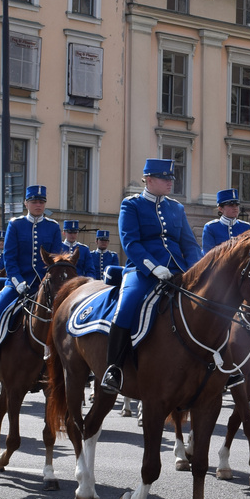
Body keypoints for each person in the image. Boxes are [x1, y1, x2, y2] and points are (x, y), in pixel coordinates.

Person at [98, 159, 204, 395]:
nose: (170, 183)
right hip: (143, 271)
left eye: (171, 179)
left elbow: (189, 244)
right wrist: (154, 268)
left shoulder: (176, 208)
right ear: (148, 179)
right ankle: (114, 368)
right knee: (127, 305)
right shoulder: (131, 205)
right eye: (165, 179)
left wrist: (194, 271)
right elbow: (130, 242)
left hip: (179, 272)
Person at [0, 186, 64, 386]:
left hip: (44, 286)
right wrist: (18, 282)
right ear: (26, 204)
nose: (38, 205)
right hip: (17, 284)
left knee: (64, 318)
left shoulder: (53, 227)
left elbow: (55, 258)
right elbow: (10, 258)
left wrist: (48, 283)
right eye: (34, 201)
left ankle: (66, 366)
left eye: (41, 202)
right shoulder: (15, 224)